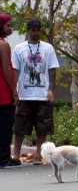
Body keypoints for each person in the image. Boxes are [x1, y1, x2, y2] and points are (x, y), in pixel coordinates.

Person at [11, 19, 59, 165]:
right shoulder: (19, 48)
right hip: (24, 94)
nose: (35, 33)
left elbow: (52, 70)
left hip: (42, 94)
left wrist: (51, 90)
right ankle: (16, 155)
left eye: (38, 30)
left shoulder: (48, 48)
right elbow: (15, 70)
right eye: (33, 30)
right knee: (19, 126)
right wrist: (15, 90)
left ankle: (38, 154)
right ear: (28, 31)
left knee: (42, 126)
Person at [0, 13, 17, 168]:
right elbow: (6, 69)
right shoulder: (3, 44)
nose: (11, 28)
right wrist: (14, 90)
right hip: (3, 92)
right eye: (8, 25)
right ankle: (3, 159)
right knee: (5, 126)